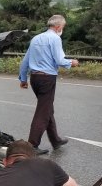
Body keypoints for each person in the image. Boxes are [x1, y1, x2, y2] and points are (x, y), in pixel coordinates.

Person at [19, 15, 79, 155]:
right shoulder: (55, 38)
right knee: (42, 112)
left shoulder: (36, 38)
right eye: (62, 27)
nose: (62, 30)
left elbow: (25, 60)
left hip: (35, 78)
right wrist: (72, 63)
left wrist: (23, 79)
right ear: (58, 27)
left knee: (46, 109)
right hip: (47, 78)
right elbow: (59, 60)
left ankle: (55, 140)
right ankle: (32, 145)